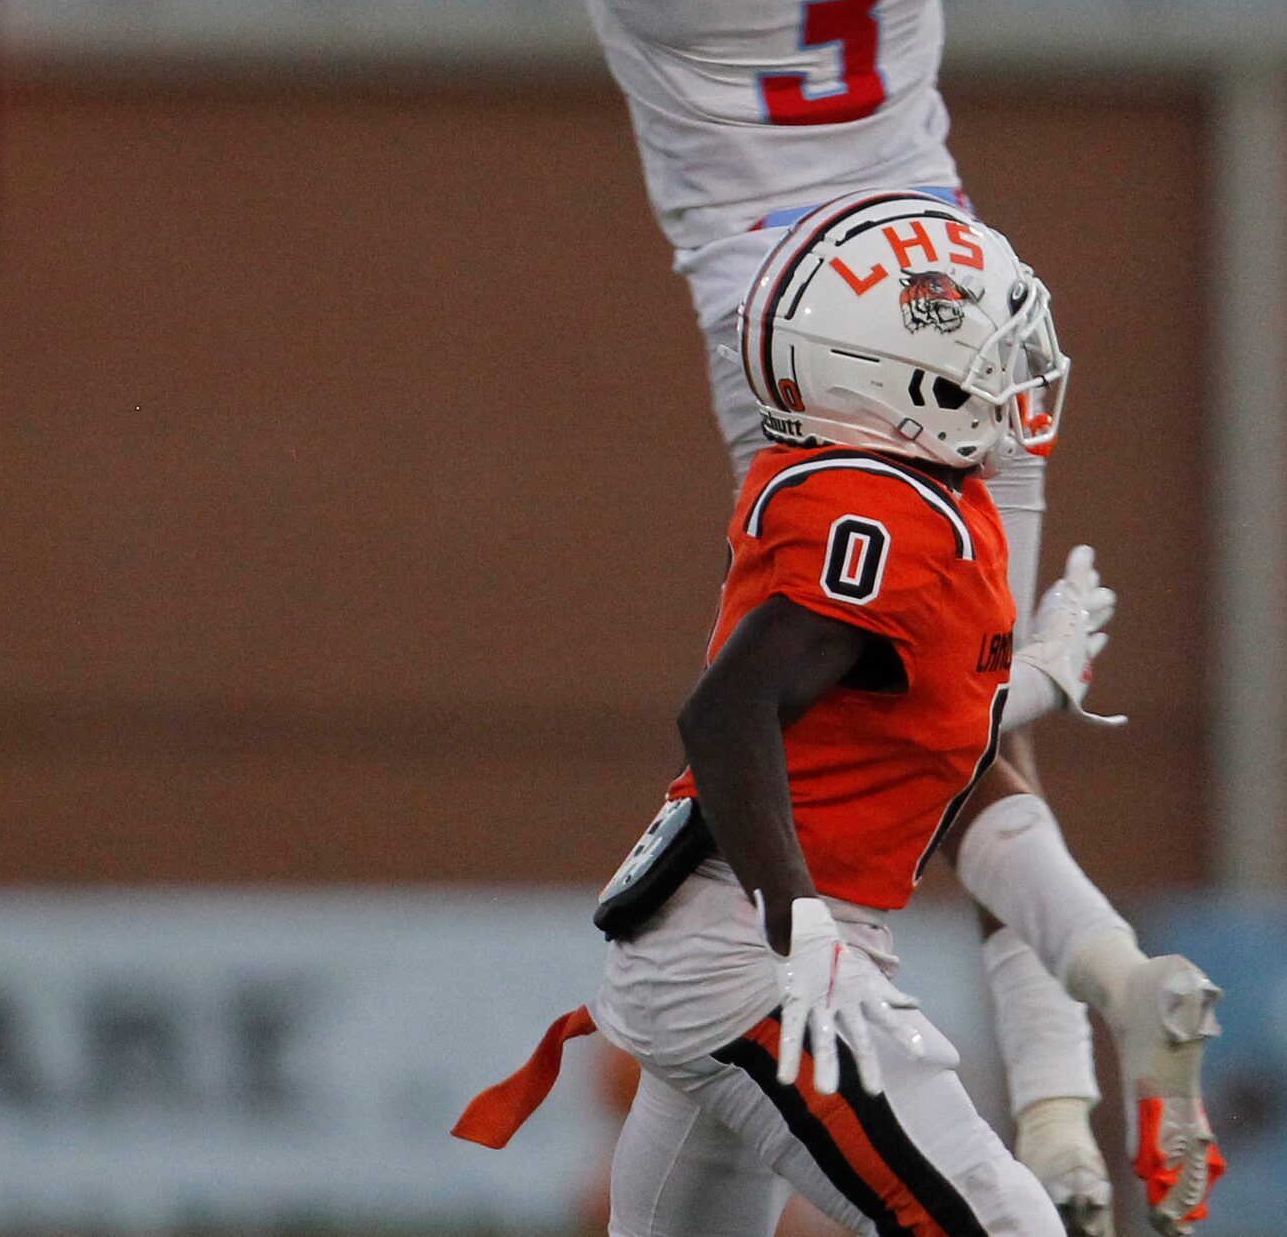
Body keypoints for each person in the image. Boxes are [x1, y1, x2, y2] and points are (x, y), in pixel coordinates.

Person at [419, 0, 1189, 1232]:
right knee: (969, 712)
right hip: (959, 272)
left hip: (794, 314)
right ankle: (1073, 1072)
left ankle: (1024, 1092)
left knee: (859, 730)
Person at [450, 193, 1224, 1236]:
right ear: (901, 381)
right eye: (990, 348)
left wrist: (1037, 675)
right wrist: (798, 922)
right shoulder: (879, 514)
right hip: (763, 958)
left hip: (721, 949)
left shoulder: (922, 501)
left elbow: (914, 731)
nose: (1017, 370)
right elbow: (726, 716)